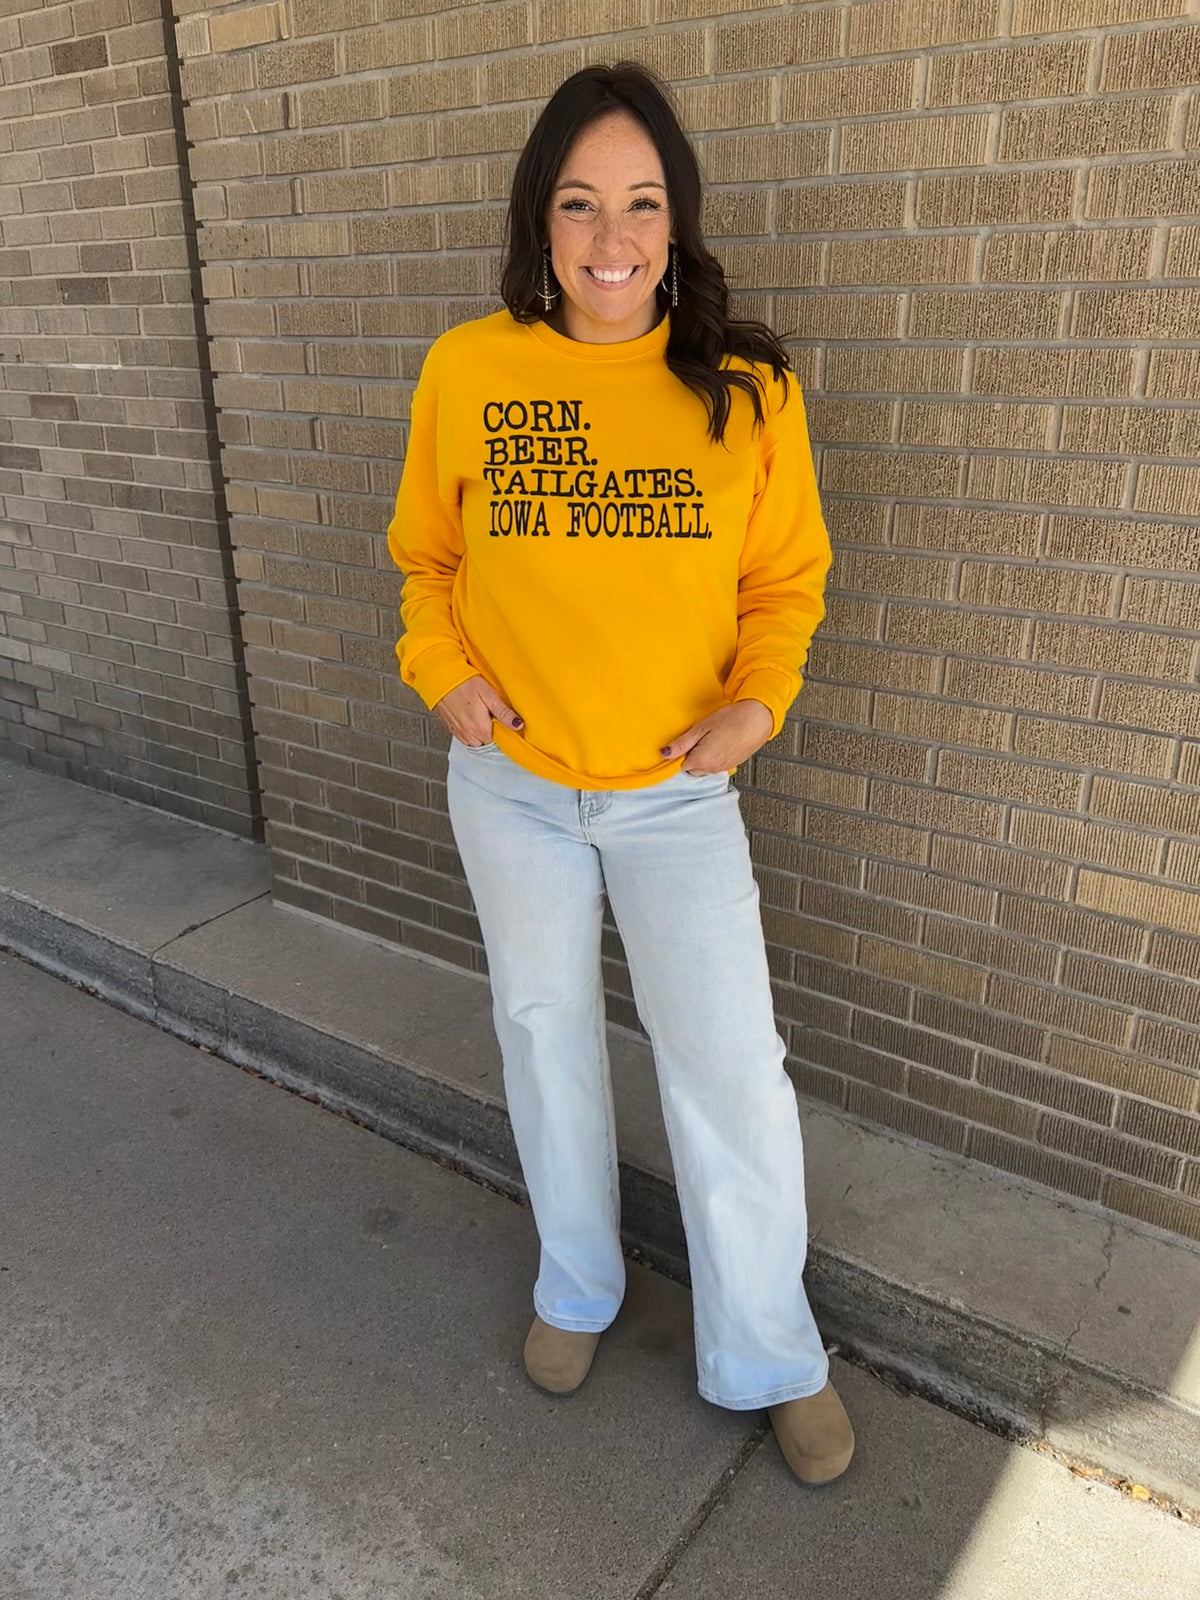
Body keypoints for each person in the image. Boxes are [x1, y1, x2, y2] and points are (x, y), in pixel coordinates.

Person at [386, 60, 853, 1488]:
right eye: (581, 203)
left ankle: (768, 1349)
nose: (611, 236)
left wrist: (757, 709)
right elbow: (430, 561)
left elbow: (786, 584)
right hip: (512, 786)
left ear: (677, 220)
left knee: (732, 1071)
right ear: (541, 219)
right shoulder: (471, 369)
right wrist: (441, 673)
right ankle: (577, 1286)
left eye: (641, 203)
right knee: (545, 1041)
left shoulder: (748, 390)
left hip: (672, 800)